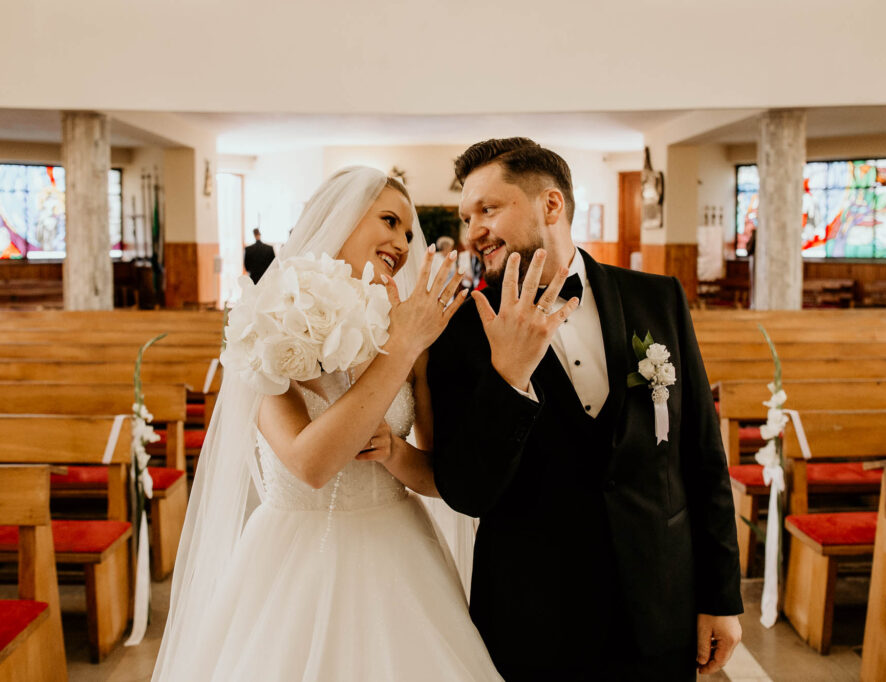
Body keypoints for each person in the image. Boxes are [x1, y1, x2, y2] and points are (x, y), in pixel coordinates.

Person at [153, 167, 502, 681]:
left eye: (409, 233)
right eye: (389, 221)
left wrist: (395, 451)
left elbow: (438, 478)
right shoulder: (268, 322)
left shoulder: (409, 332)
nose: (402, 243)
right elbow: (309, 465)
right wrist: (401, 347)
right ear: (341, 217)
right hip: (292, 558)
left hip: (399, 555)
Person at [428, 138, 743, 681]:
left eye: (488, 208)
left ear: (551, 204)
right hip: (534, 619)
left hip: (659, 604)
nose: (473, 230)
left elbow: (703, 458)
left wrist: (721, 596)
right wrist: (508, 379)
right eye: (467, 217)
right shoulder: (459, 331)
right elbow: (464, 490)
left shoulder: (658, 298)